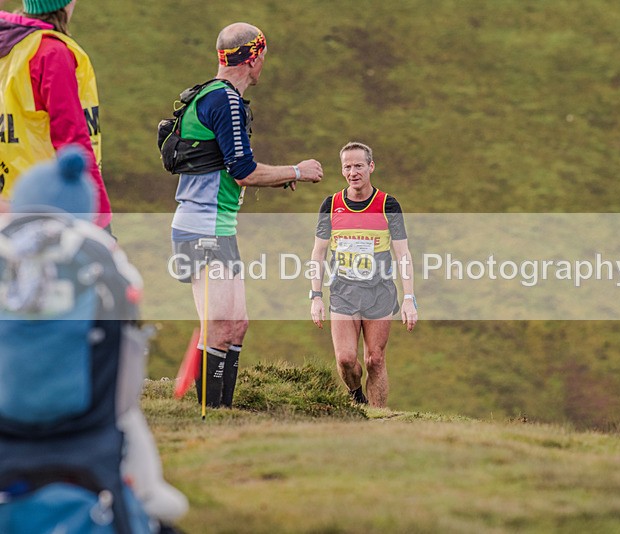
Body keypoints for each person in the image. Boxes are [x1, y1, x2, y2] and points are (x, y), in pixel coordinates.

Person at [0, 147, 186, 531]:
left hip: (6, 416)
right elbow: (131, 313)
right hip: (89, 418)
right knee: (128, 418)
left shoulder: (6, 243)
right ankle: (150, 496)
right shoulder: (96, 248)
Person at [170, 22, 323, 409]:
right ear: (253, 59)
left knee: (236, 326)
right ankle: (211, 414)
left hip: (218, 227)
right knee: (220, 327)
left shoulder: (212, 95)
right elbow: (244, 171)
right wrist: (297, 172)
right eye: (264, 59)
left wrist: (273, 180)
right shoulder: (226, 101)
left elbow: (230, 169)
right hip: (202, 229)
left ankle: (224, 411)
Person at [309, 141, 417, 408]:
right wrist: (315, 296)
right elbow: (318, 254)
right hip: (344, 292)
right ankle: (356, 396)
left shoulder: (388, 204)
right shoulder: (331, 204)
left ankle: (377, 420)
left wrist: (409, 298)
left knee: (375, 359)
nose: (353, 171)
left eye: (358, 165)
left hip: (379, 292)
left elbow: (403, 254)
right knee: (346, 359)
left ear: (371, 167)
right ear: (342, 170)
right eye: (347, 166)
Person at [0, 0, 112, 230]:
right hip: (51, 202)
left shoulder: (10, 45)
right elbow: (72, 138)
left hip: (10, 201)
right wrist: (98, 215)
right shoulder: (51, 53)